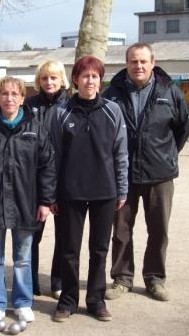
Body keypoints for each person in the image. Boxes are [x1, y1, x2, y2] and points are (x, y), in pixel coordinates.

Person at [0, 77, 56, 325]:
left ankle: (23, 302)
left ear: (23, 98)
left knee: (23, 257)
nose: (9, 98)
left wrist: (45, 201)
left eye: (15, 94)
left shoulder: (35, 128)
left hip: (26, 204)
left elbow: (47, 167)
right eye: (4, 94)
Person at [102, 42, 189, 302]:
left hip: (159, 175)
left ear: (153, 63)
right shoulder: (113, 93)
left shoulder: (169, 91)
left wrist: (166, 154)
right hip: (123, 174)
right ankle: (121, 278)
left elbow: (182, 128)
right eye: (133, 61)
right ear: (126, 64)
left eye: (143, 61)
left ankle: (154, 279)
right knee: (120, 231)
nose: (138, 66)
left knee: (159, 230)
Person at [51, 55, 128, 322]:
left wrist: (122, 188)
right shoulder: (61, 112)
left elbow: (121, 152)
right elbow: (52, 156)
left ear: (100, 80)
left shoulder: (112, 110)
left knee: (99, 249)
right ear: (75, 80)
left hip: (104, 192)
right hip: (69, 192)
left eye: (95, 76)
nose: (90, 81)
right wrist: (50, 193)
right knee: (69, 249)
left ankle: (95, 300)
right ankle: (68, 300)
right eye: (85, 76)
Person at [24, 60, 69, 299]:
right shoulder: (28, 105)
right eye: (44, 78)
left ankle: (58, 281)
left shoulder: (71, 106)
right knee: (32, 234)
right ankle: (30, 282)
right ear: (38, 81)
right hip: (33, 181)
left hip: (64, 180)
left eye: (53, 77)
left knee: (63, 235)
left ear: (62, 79)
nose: (49, 82)